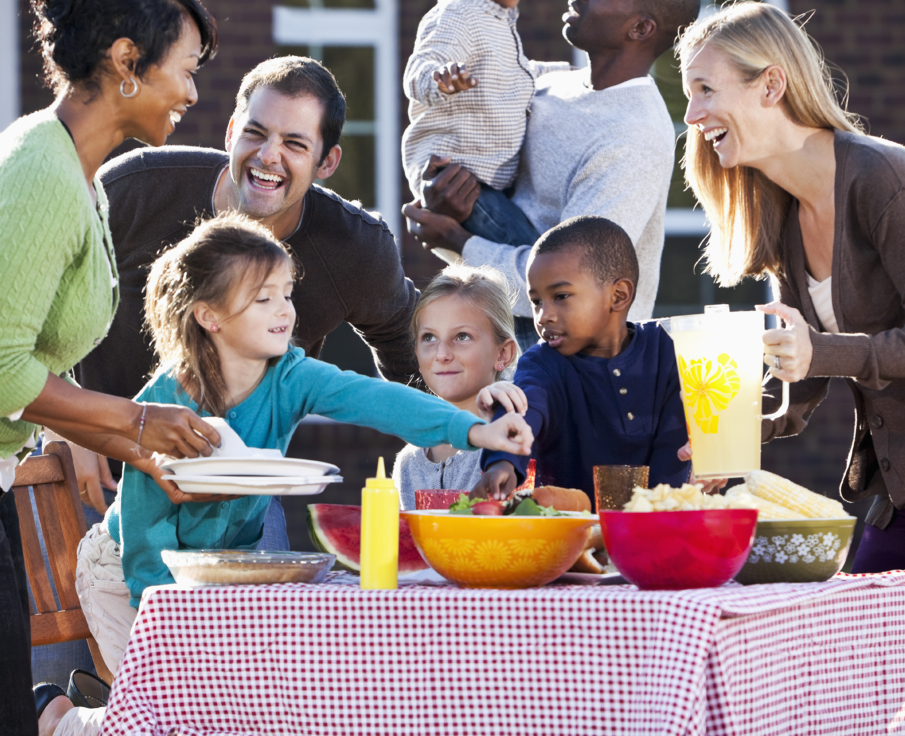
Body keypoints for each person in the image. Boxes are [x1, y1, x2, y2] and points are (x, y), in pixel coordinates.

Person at [40, 213, 533, 736]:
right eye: (263, 298)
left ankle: (90, 708)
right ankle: (61, 718)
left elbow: (374, 398)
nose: (285, 311)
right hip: (129, 572)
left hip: (217, 572)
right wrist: (161, 613)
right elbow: (145, 522)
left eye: (287, 293)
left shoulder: (291, 376)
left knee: (216, 717)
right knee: (161, 719)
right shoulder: (170, 398)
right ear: (210, 316)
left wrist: (473, 432)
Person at [0, 0, 224, 736]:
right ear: (127, 61)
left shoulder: (79, 174)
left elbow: (26, 364)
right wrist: (130, 422)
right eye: (185, 69)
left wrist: (133, 446)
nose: (194, 93)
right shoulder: (39, 174)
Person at [72, 54, 422, 547]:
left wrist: (473, 442)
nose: (268, 156)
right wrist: (66, 429)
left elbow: (418, 359)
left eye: (295, 144)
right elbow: (38, 300)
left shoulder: (355, 249)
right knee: (73, 619)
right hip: (98, 478)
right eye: (256, 133)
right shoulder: (136, 187)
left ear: (327, 162)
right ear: (232, 130)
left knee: (261, 625)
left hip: (240, 495)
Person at [677, 0, 905, 575]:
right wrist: (720, 441)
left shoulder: (889, 182)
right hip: (904, 477)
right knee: (868, 649)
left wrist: (821, 352)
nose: (691, 113)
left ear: (772, 85)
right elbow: (800, 375)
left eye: (705, 89)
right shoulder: (784, 215)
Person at [403, 0, 702, 348]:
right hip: (501, 331)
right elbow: (493, 202)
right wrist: (442, 198)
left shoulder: (635, 135)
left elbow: (577, 281)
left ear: (640, 28)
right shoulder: (546, 84)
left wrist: (455, 240)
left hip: (577, 368)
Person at [471, 216, 689, 501]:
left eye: (561, 296)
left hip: (665, 525)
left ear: (618, 296)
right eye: (536, 301)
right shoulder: (543, 363)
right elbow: (524, 408)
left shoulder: (669, 351)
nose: (543, 315)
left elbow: (678, 446)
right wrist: (502, 462)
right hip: (572, 532)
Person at [402, 0, 568, 252]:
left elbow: (513, 74)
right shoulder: (458, 15)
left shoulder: (497, 20)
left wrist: (566, 75)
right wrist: (440, 79)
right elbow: (419, 69)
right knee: (533, 256)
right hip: (458, 179)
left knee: (528, 253)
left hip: (488, 177)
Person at [393, 264, 527, 509]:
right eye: (429, 338)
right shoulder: (408, 462)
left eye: (462, 336)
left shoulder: (519, 437)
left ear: (503, 353)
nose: (442, 354)